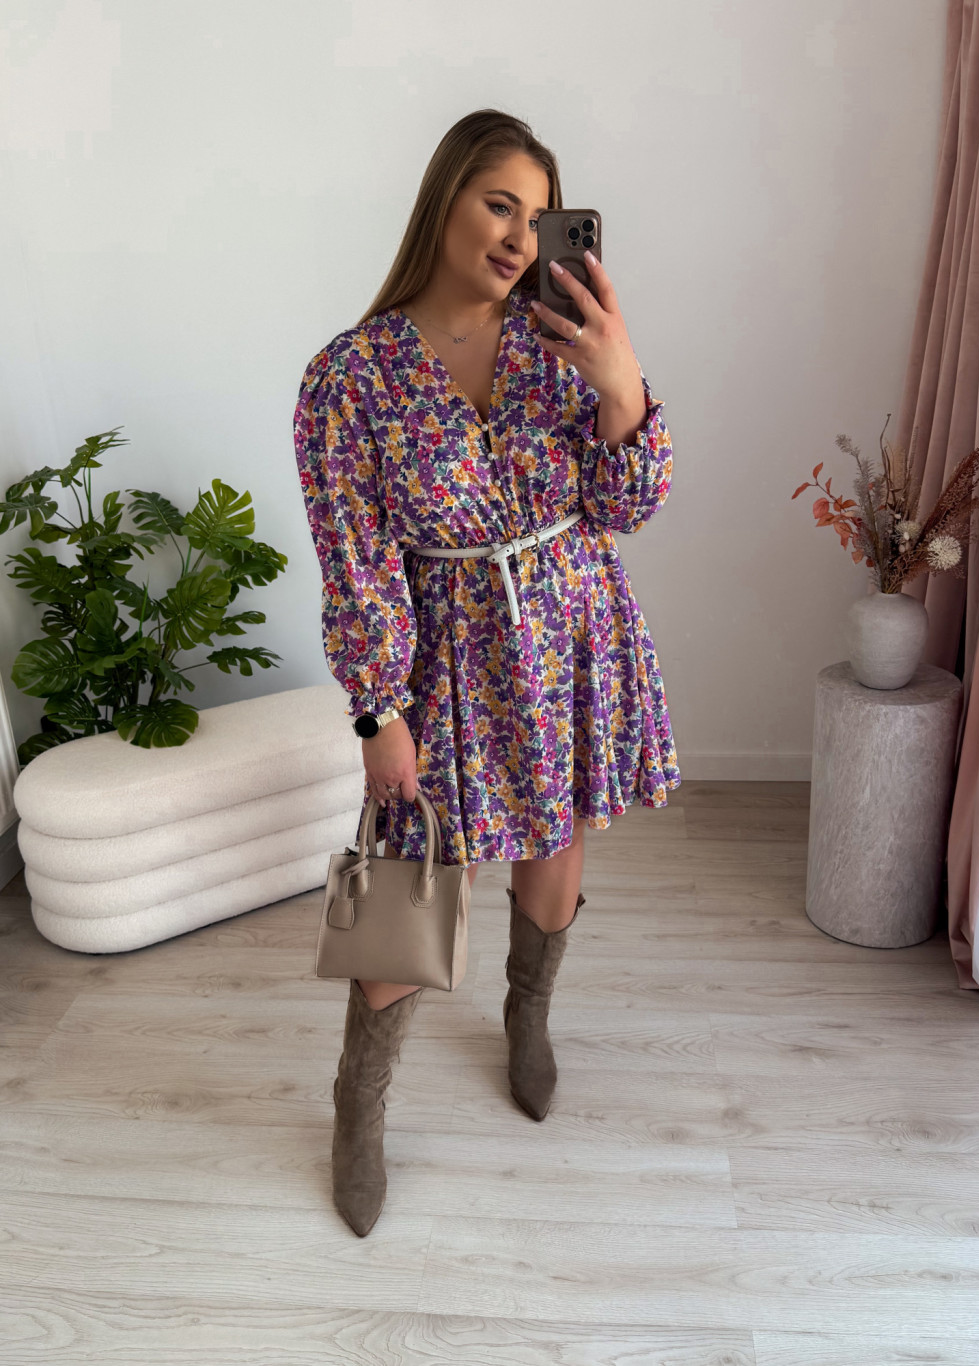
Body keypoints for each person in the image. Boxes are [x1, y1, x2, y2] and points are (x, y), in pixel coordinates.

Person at [292, 109, 680, 1236]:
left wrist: (620, 380)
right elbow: (355, 558)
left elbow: (626, 505)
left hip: (569, 633)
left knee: (555, 844)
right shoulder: (350, 378)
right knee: (411, 878)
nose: (517, 236)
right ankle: (359, 1104)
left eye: (536, 214)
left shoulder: (563, 343)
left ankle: (528, 1017)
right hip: (445, 658)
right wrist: (379, 710)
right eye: (497, 204)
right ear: (445, 200)